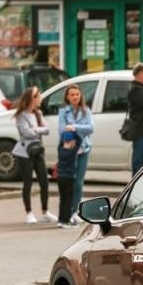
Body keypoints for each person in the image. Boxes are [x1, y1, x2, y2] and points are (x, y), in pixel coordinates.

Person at [11, 87, 54, 224]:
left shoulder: (38, 113)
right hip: (25, 152)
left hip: (38, 151)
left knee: (44, 182)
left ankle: (45, 211)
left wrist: (35, 129)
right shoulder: (21, 115)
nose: (41, 99)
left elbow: (47, 130)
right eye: (39, 96)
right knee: (28, 182)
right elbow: (26, 133)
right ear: (32, 99)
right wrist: (37, 130)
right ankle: (29, 213)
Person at [55, 85, 93, 227]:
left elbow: (91, 128)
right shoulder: (63, 112)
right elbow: (62, 130)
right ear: (67, 97)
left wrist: (75, 128)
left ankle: (75, 211)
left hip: (84, 149)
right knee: (69, 182)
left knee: (78, 182)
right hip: (69, 151)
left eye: (77, 94)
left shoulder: (86, 111)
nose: (75, 97)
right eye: (72, 95)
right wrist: (74, 130)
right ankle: (66, 213)